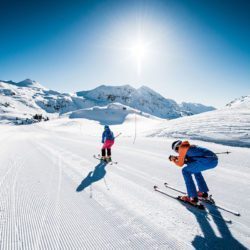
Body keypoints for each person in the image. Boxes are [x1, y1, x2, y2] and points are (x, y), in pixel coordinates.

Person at [169, 140, 218, 205]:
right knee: (195, 169)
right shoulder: (187, 146)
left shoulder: (182, 148)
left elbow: (180, 164)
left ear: (177, 147)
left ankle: (192, 197)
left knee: (185, 171)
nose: (177, 152)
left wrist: (174, 159)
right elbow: (187, 158)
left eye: (176, 150)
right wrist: (177, 157)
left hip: (206, 161)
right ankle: (203, 192)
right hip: (213, 160)